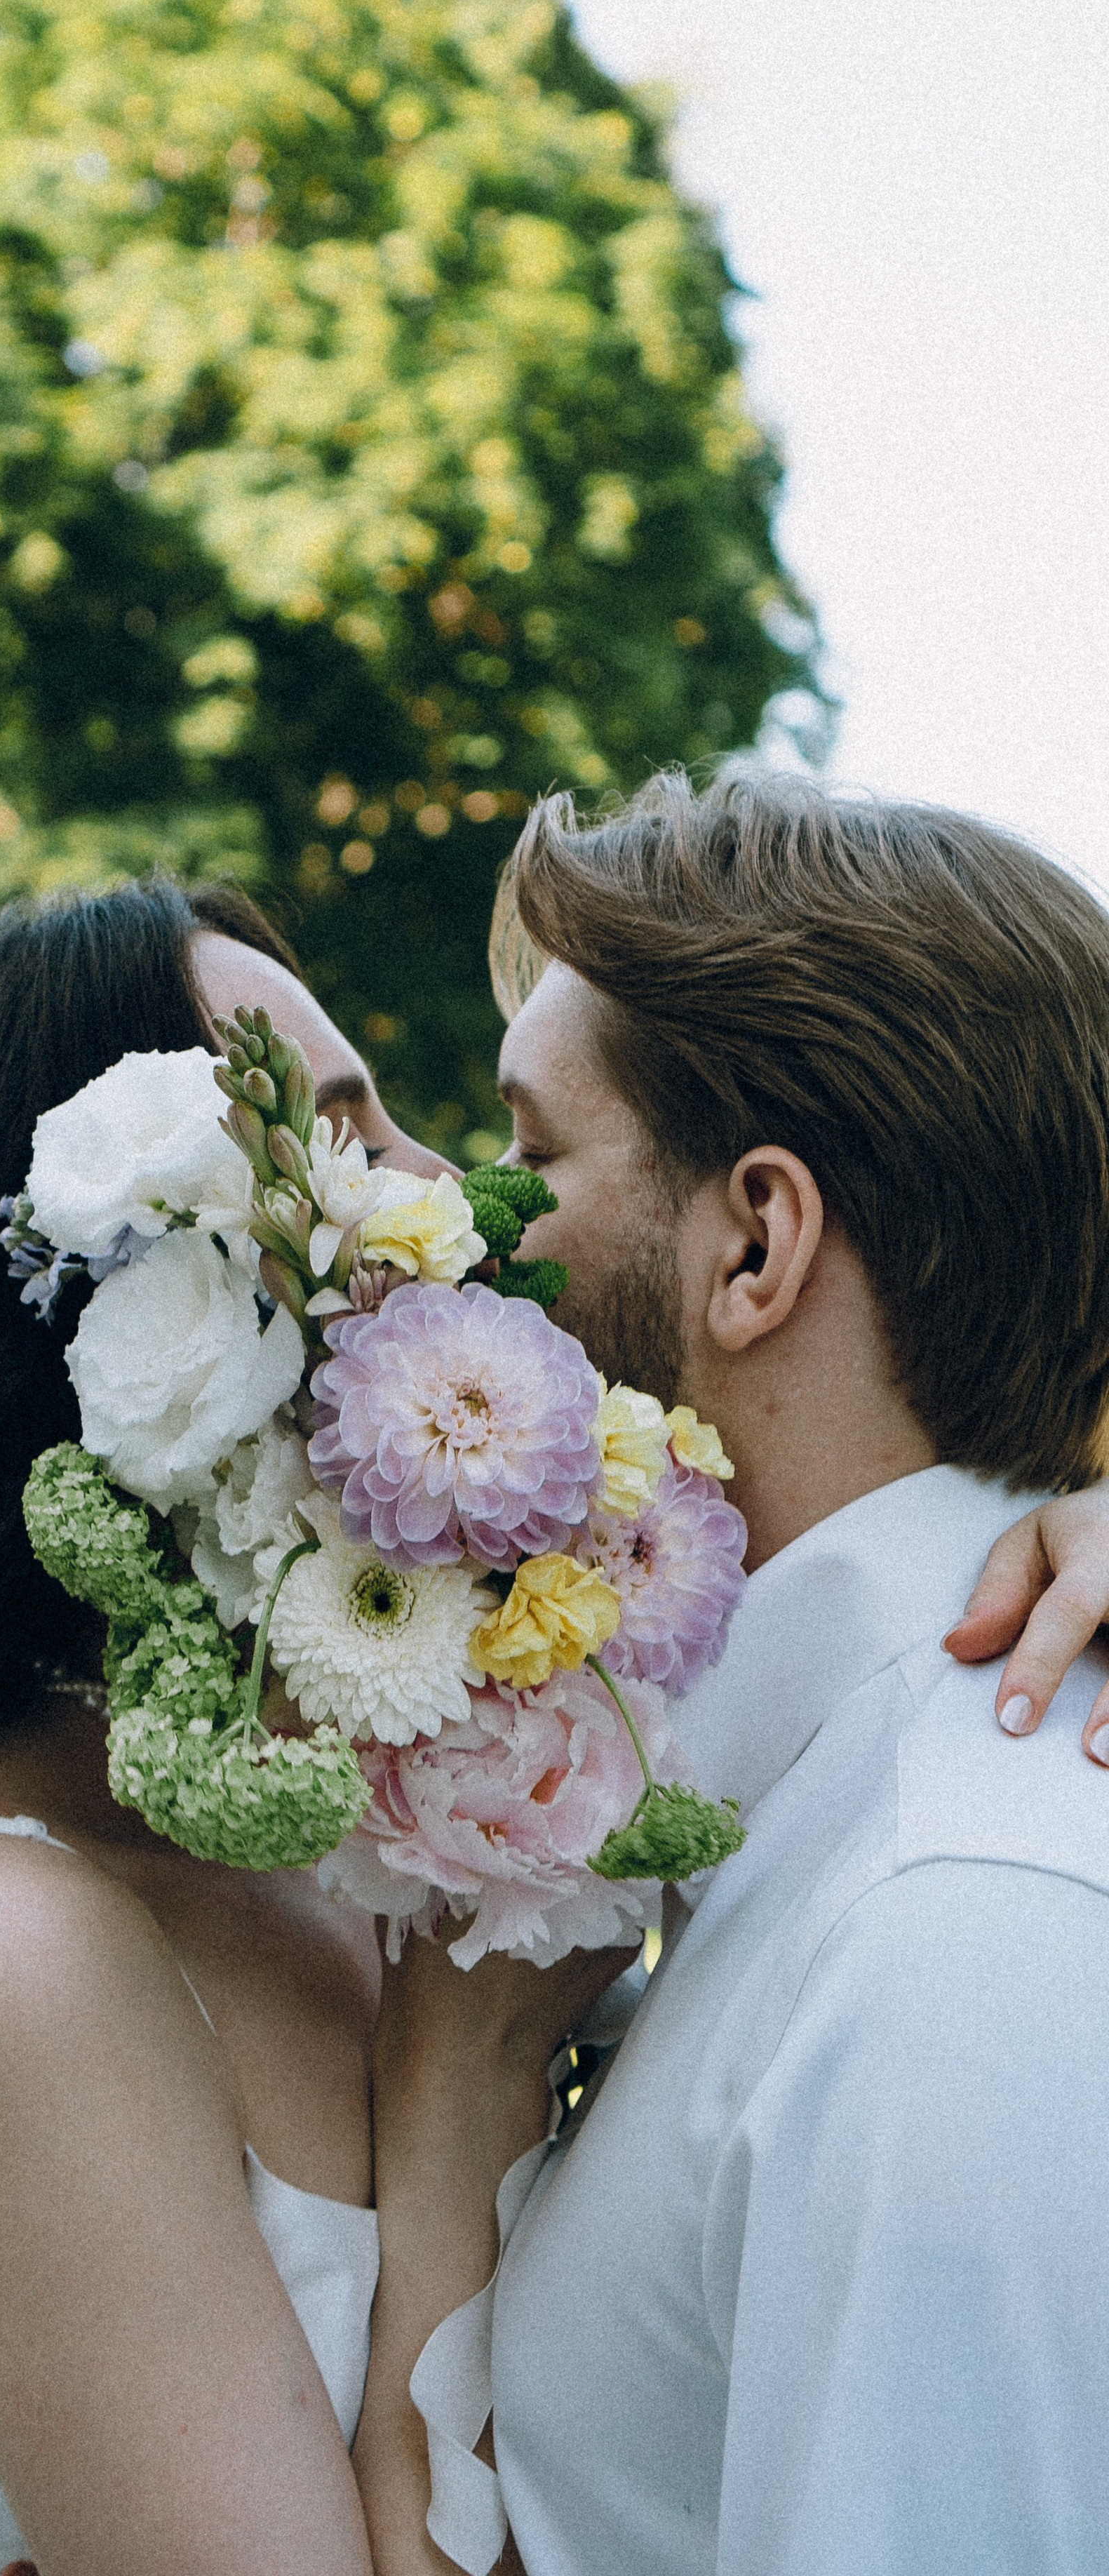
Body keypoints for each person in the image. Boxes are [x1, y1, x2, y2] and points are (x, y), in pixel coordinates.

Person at [0, 867, 1109, 2576]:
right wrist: (460, 2095)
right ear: (122, 1305)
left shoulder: (399, 1792)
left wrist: (1051, 1512)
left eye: (468, 1138)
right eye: (343, 1138)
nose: (454, 1198)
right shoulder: (2, 1955)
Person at [428, 777, 1109, 2576]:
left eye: (529, 1159)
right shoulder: (812, 1821)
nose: (464, 1244)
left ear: (752, 1246)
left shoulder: (949, 1938)